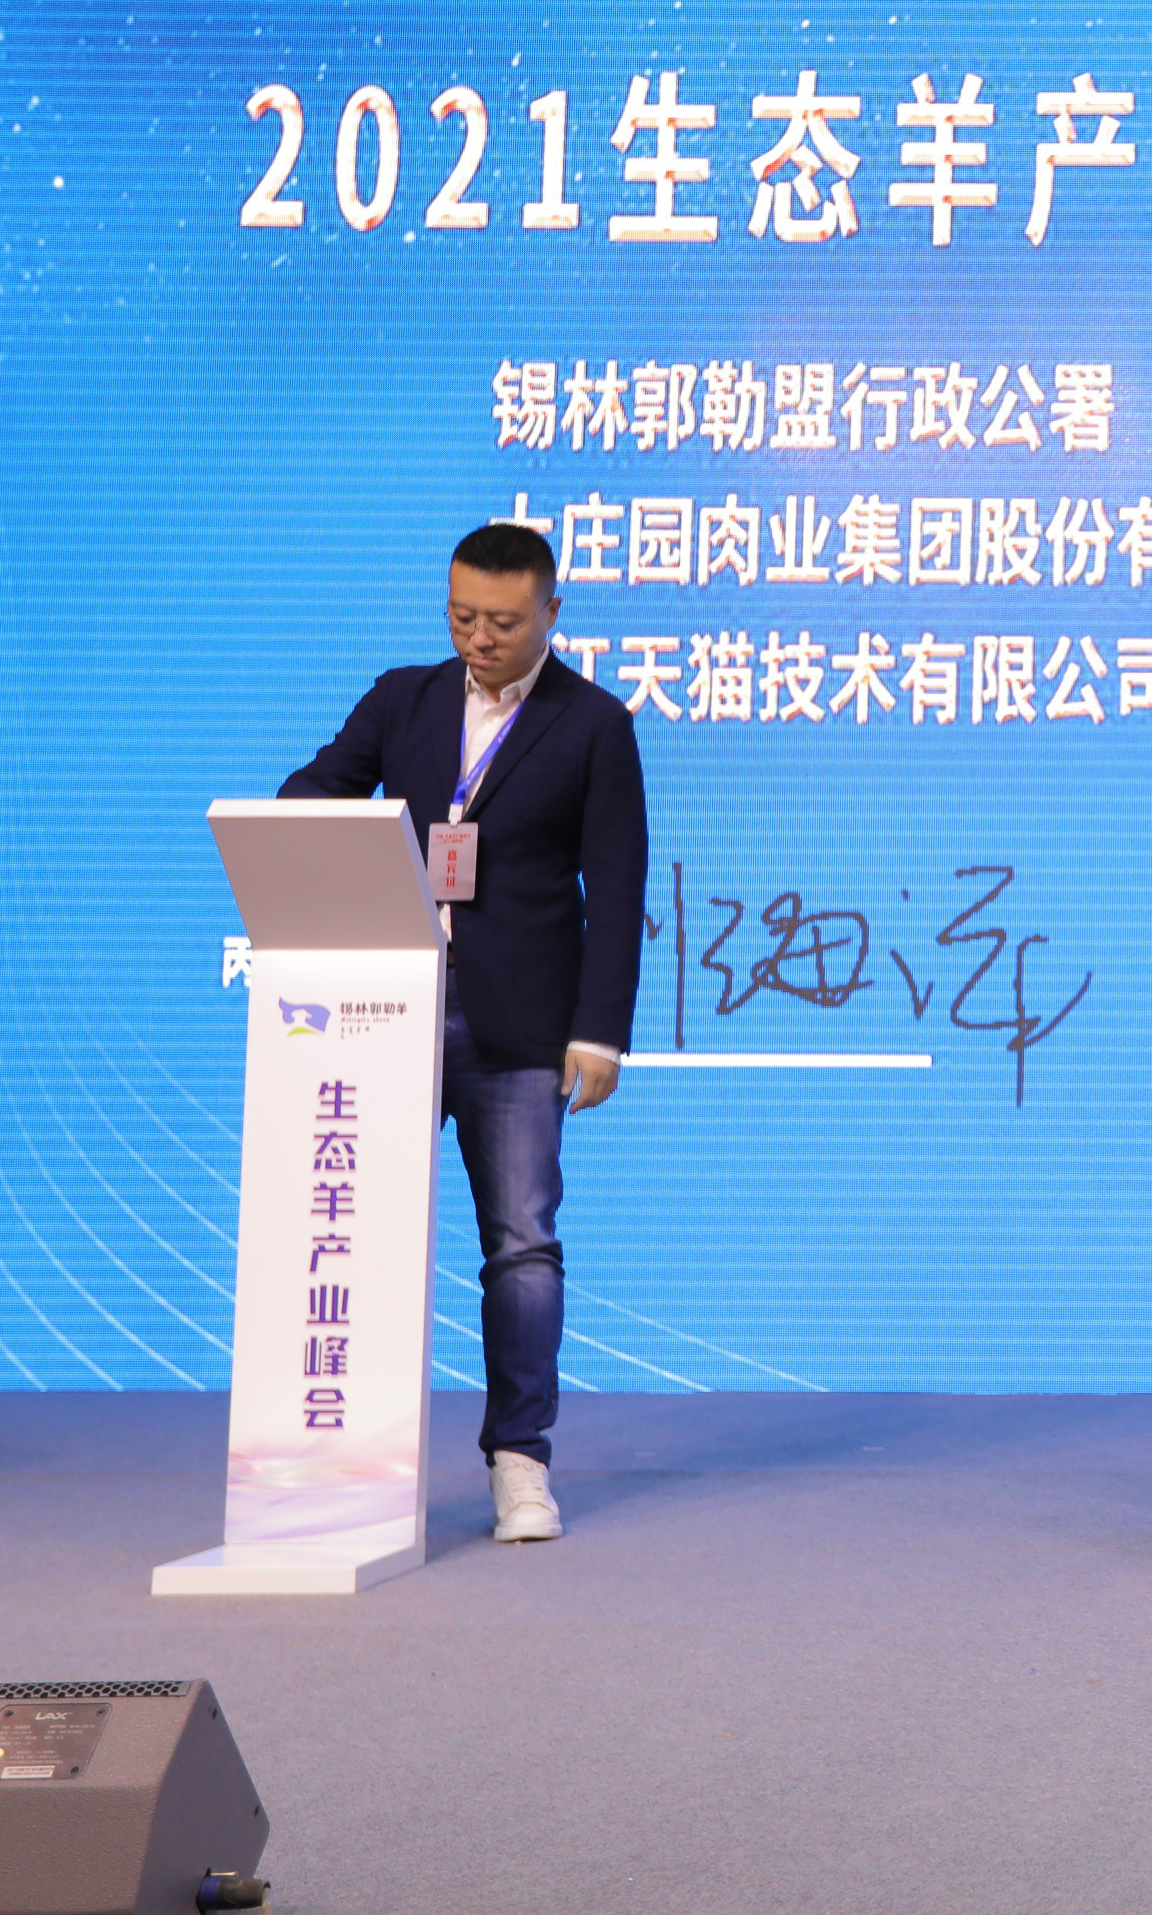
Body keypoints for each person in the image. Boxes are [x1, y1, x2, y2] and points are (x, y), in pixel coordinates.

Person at [282, 523, 648, 1543]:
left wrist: (600, 1034)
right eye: (461, 617)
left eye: (502, 622)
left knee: (521, 1245)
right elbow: (310, 796)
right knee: (360, 1233)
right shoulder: (403, 699)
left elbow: (617, 888)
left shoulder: (593, 724)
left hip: (522, 1024)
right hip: (385, 1015)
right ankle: (348, 1457)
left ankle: (520, 1463)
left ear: (551, 613)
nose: (479, 638)